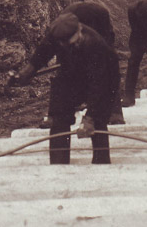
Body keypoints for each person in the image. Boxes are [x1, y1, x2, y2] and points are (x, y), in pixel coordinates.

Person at [8, 13, 119, 164]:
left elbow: (98, 85)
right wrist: (26, 73)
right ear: (60, 42)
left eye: (76, 41)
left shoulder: (95, 45)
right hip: (73, 73)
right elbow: (41, 54)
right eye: (69, 44)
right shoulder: (57, 36)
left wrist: (89, 117)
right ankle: (58, 163)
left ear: (79, 29)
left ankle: (101, 164)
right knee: (59, 115)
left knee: (98, 120)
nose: (74, 44)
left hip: (105, 78)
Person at [12, 1, 123, 125]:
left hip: (98, 18)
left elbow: (102, 80)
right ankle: (55, 116)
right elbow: (43, 51)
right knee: (63, 74)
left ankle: (115, 112)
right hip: (72, 18)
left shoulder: (97, 41)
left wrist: (92, 116)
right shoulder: (59, 30)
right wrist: (28, 71)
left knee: (104, 71)